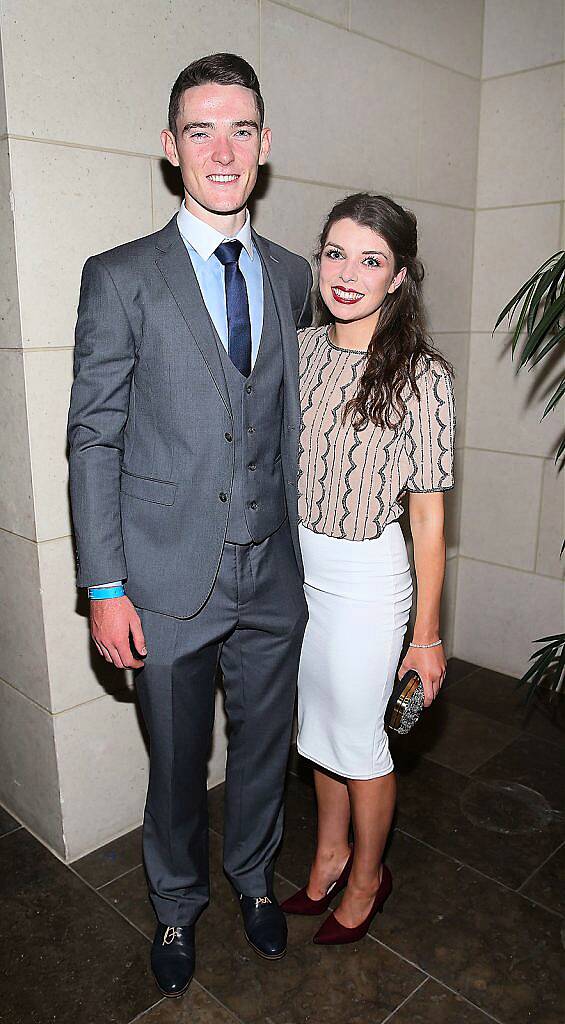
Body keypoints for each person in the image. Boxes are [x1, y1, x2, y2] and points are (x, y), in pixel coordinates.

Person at [67, 53, 312, 996]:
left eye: (240, 128)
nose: (222, 149)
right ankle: (175, 906)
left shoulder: (294, 275)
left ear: (264, 144)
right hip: (164, 583)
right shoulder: (121, 276)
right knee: (176, 765)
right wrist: (103, 586)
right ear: (171, 149)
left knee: (262, 749)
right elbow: (94, 438)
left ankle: (252, 878)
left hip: (274, 575)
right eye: (200, 130)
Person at [281, 193, 455, 944]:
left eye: (371, 259)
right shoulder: (298, 351)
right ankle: (325, 856)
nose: (348, 274)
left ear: (400, 276)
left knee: (360, 744)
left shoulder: (423, 377)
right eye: (335, 253)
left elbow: (427, 518)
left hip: (364, 584)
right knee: (316, 733)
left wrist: (426, 636)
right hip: (294, 575)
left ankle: (364, 879)